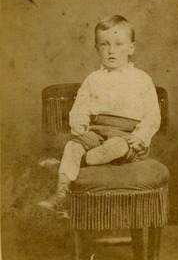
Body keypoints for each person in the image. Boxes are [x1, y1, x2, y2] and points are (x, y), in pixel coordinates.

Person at [38, 15, 161, 211]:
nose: (111, 51)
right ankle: (60, 194)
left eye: (119, 44)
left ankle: (68, 163)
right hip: (97, 132)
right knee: (72, 146)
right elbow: (81, 106)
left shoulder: (141, 79)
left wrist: (140, 136)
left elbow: (153, 115)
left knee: (115, 146)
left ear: (131, 48)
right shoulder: (93, 79)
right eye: (104, 45)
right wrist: (79, 122)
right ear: (97, 48)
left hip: (126, 136)